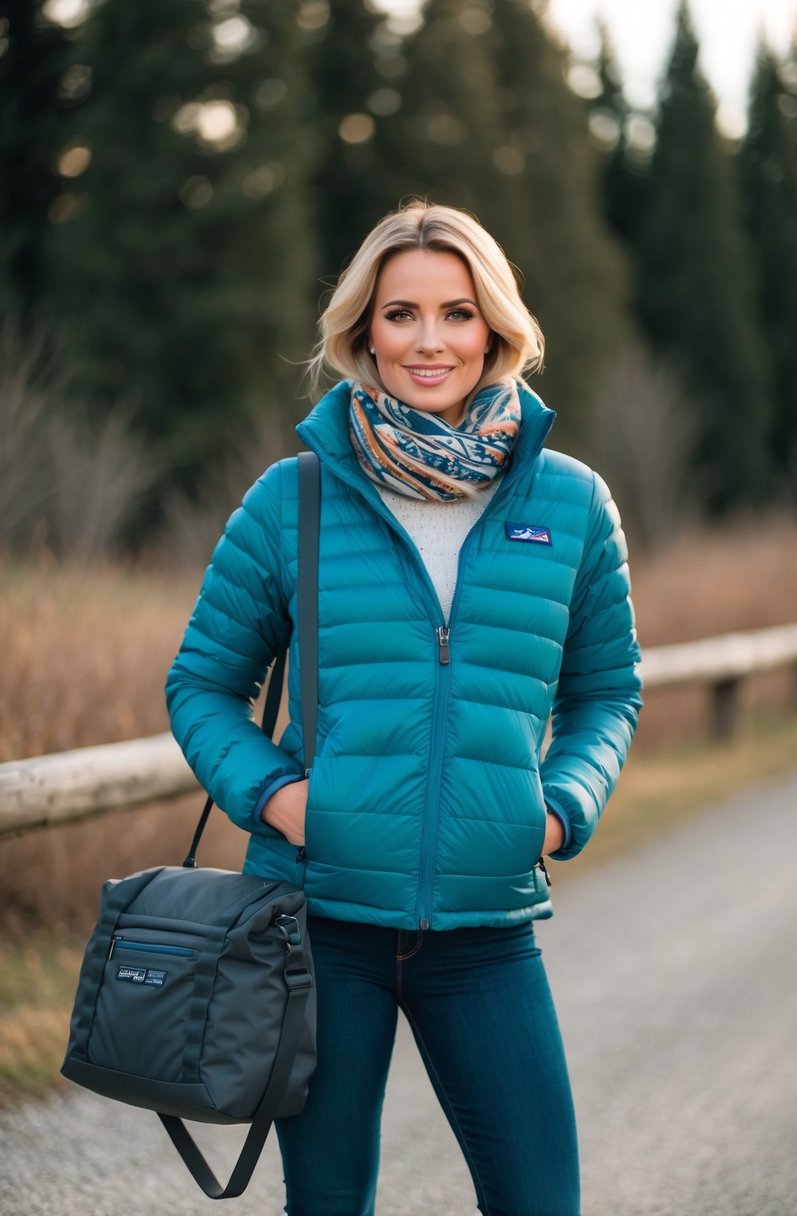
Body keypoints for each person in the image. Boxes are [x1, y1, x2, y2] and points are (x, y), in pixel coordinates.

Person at [166, 201, 642, 1216]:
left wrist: (558, 806)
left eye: (457, 313)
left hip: (486, 930)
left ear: (496, 328)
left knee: (538, 1198)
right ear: (362, 331)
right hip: (317, 921)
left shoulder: (571, 505)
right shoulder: (288, 500)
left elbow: (606, 691)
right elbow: (200, 684)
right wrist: (279, 800)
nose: (430, 341)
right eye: (401, 314)